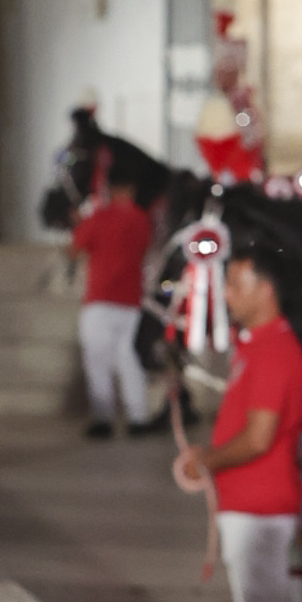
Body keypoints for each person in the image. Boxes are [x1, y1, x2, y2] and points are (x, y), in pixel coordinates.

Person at [177, 240, 302, 602]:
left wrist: (208, 460)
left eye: (236, 283)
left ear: (267, 289)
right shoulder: (256, 345)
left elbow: (259, 438)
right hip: (249, 504)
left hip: (261, 507)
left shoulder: (275, 349)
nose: (227, 294)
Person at [72, 157, 166, 437]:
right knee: (127, 358)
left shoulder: (99, 218)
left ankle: (103, 418)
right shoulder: (142, 220)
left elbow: (74, 249)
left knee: (98, 360)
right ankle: (138, 417)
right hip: (130, 300)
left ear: (110, 188)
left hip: (100, 299)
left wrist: (77, 223)